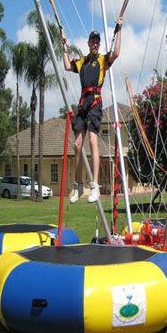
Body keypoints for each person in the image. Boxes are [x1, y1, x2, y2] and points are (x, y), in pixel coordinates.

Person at [62, 17, 123, 203]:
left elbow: (117, 53)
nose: (95, 44)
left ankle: (94, 185)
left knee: (92, 140)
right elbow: (66, 65)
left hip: (95, 102)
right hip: (82, 104)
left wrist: (119, 29)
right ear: (88, 43)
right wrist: (63, 45)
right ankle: (79, 185)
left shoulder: (103, 60)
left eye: (98, 41)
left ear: (99, 44)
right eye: (93, 41)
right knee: (77, 145)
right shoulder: (82, 62)